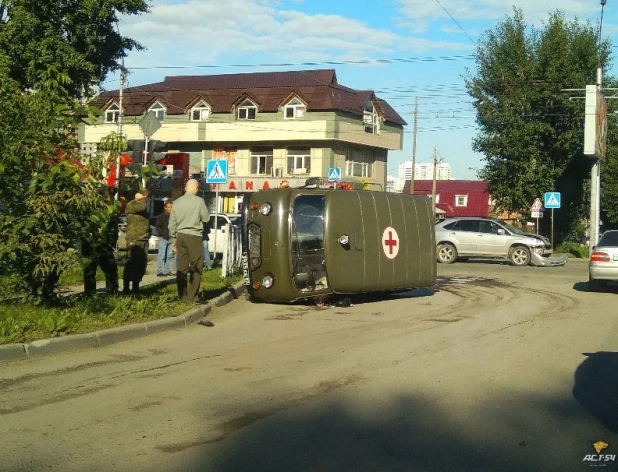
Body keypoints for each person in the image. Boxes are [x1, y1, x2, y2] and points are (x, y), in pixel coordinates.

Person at [169, 179, 210, 302]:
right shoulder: (199, 201)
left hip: (180, 236)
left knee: (181, 266)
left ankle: (182, 295)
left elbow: (172, 223)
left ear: (186, 188)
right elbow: (206, 218)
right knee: (196, 265)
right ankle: (193, 295)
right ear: (196, 189)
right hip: (194, 236)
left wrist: (173, 240)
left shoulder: (176, 202)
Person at [82, 186, 119, 295]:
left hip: (88, 244)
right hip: (103, 245)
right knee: (110, 271)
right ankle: (112, 292)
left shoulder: (88, 209)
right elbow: (112, 229)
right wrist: (112, 241)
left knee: (89, 271)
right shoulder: (108, 210)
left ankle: (89, 293)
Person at [123, 187, 150, 294]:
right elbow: (142, 207)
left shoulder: (141, 204)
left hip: (143, 238)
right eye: (147, 198)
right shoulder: (132, 204)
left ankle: (136, 286)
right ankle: (126, 287)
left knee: (141, 264)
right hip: (134, 239)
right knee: (131, 263)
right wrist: (141, 198)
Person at [155, 200, 176, 276]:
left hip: (171, 238)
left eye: (171, 207)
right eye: (168, 207)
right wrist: (162, 233)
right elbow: (157, 227)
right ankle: (159, 271)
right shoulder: (161, 216)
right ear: (165, 208)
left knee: (169, 256)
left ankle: (167, 270)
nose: (170, 208)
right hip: (163, 238)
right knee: (161, 255)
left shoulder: (174, 216)